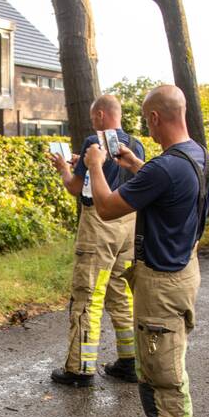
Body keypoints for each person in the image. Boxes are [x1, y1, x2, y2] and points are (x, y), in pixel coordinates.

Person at [84, 85, 209, 417]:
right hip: (185, 270)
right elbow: (168, 188)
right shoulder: (197, 157)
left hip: (161, 281)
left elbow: (106, 208)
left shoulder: (165, 167)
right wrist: (137, 165)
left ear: (156, 118)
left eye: (147, 120)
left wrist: (93, 165)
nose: (146, 127)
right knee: (169, 360)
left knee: (161, 370)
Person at [46, 94, 146, 387]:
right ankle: (130, 361)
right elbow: (109, 174)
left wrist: (64, 169)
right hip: (128, 222)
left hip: (99, 225)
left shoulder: (94, 141)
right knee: (121, 291)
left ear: (102, 114)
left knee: (87, 292)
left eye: (93, 116)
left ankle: (80, 368)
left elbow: (76, 188)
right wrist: (84, 165)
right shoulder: (135, 145)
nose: (92, 121)